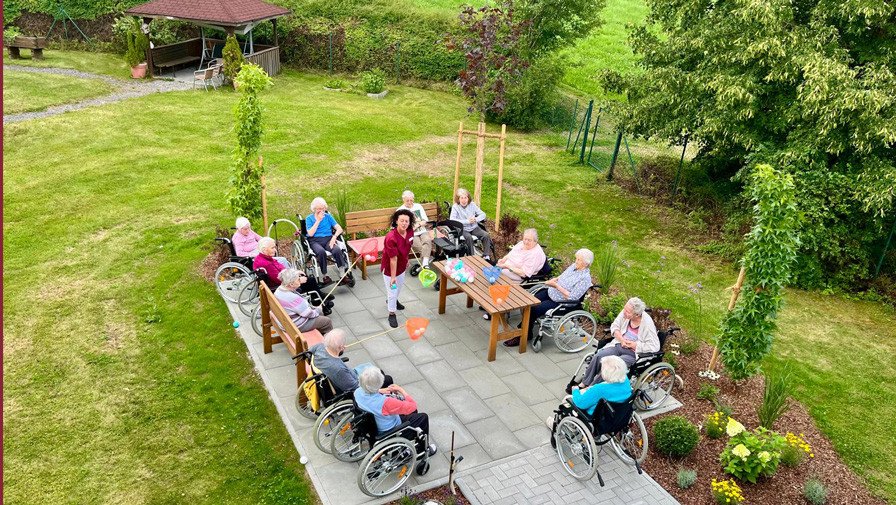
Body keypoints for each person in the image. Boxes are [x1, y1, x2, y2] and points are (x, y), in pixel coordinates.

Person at [504, 248, 594, 347]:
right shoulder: (574, 266)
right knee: (530, 301)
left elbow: (572, 297)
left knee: (533, 308)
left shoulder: (585, 279)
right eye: (576, 258)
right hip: (551, 291)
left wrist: (556, 286)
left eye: (579, 260)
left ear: (586, 264)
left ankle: (523, 335)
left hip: (560, 301)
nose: (576, 261)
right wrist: (554, 280)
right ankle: (526, 328)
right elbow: (562, 276)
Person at [355, 366, 437, 456]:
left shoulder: (357, 392)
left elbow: (369, 394)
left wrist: (380, 391)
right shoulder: (385, 403)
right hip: (391, 431)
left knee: (409, 414)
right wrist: (400, 390)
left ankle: (407, 446)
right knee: (422, 417)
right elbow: (412, 406)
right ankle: (423, 450)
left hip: (374, 425)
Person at [579, 297, 659, 387]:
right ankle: (584, 383)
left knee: (612, 366)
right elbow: (615, 326)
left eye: (627, 312)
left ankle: (591, 389)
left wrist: (634, 345)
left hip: (633, 354)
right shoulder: (625, 312)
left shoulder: (647, 324)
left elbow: (654, 346)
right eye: (624, 309)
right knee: (599, 356)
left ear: (636, 315)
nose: (624, 312)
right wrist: (621, 339)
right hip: (619, 344)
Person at [547, 356, 631, 428]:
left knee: (567, 399)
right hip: (618, 415)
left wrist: (575, 390)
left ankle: (556, 423)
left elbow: (580, 403)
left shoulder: (600, 389)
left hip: (597, 418)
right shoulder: (625, 380)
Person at [308, 329, 393, 393]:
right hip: (351, 383)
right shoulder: (338, 369)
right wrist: (379, 391)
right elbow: (355, 388)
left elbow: (309, 351)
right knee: (387, 379)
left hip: (334, 376)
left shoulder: (319, 347)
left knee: (379, 372)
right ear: (340, 347)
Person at [253, 237, 326, 298]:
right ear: (264, 250)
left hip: (282, 281)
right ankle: (321, 300)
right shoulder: (266, 263)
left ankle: (319, 297)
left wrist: (294, 273)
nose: (275, 250)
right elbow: (280, 280)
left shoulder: (262, 258)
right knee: (309, 280)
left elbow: (281, 269)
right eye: (272, 248)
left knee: (306, 278)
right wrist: (298, 279)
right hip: (281, 287)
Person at [305, 197, 352, 286]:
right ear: (314, 209)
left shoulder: (328, 216)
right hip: (315, 240)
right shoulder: (309, 219)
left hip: (328, 239)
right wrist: (318, 220)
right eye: (319, 209)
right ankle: (325, 276)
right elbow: (310, 233)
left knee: (337, 250)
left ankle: (342, 275)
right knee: (321, 252)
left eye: (323, 208)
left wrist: (334, 237)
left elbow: (339, 228)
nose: (321, 211)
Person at [382, 208, 415, 328]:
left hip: (402, 266)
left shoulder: (410, 231)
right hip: (390, 270)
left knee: (398, 289)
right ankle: (392, 313)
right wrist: (393, 277)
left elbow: (408, 246)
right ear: (396, 221)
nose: (404, 223)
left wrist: (407, 260)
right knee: (392, 292)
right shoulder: (391, 238)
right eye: (402, 221)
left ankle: (394, 301)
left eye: (407, 221)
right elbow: (393, 259)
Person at [274, 269, 334, 334]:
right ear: (291, 284)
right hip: (295, 325)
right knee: (327, 321)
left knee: (319, 315)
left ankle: (319, 334)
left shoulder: (279, 290)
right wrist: (318, 309)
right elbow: (308, 314)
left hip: (285, 321)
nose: (300, 280)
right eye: (298, 279)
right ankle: (328, 341)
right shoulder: (293, 298)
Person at [449, 188, 493, 261]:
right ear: (458, 199)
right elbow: (452, 220)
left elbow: (483, 214)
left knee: (486, 235)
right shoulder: (455, 207)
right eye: (461, 198)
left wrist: (476, 219)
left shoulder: (472, 205)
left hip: (474, 227)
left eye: (465, 198)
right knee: (469, 238)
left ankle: (486, 256)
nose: (464, 200)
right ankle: (472, 257)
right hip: (463, 229)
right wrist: (467, 221)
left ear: (468, 198)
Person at [397, 190, 433, 269]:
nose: (410, 202)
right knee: (419, 246)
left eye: (411, 200)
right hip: (410, 233)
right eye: (407, 200)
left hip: (423, 230)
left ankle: (424, 264)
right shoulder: (400, 210)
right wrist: (415, 227)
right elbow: (401, 227)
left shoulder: (418, 206)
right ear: (403, 200)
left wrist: (417, 225)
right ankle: (425, 263)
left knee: (427, 240)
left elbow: (425, 220)